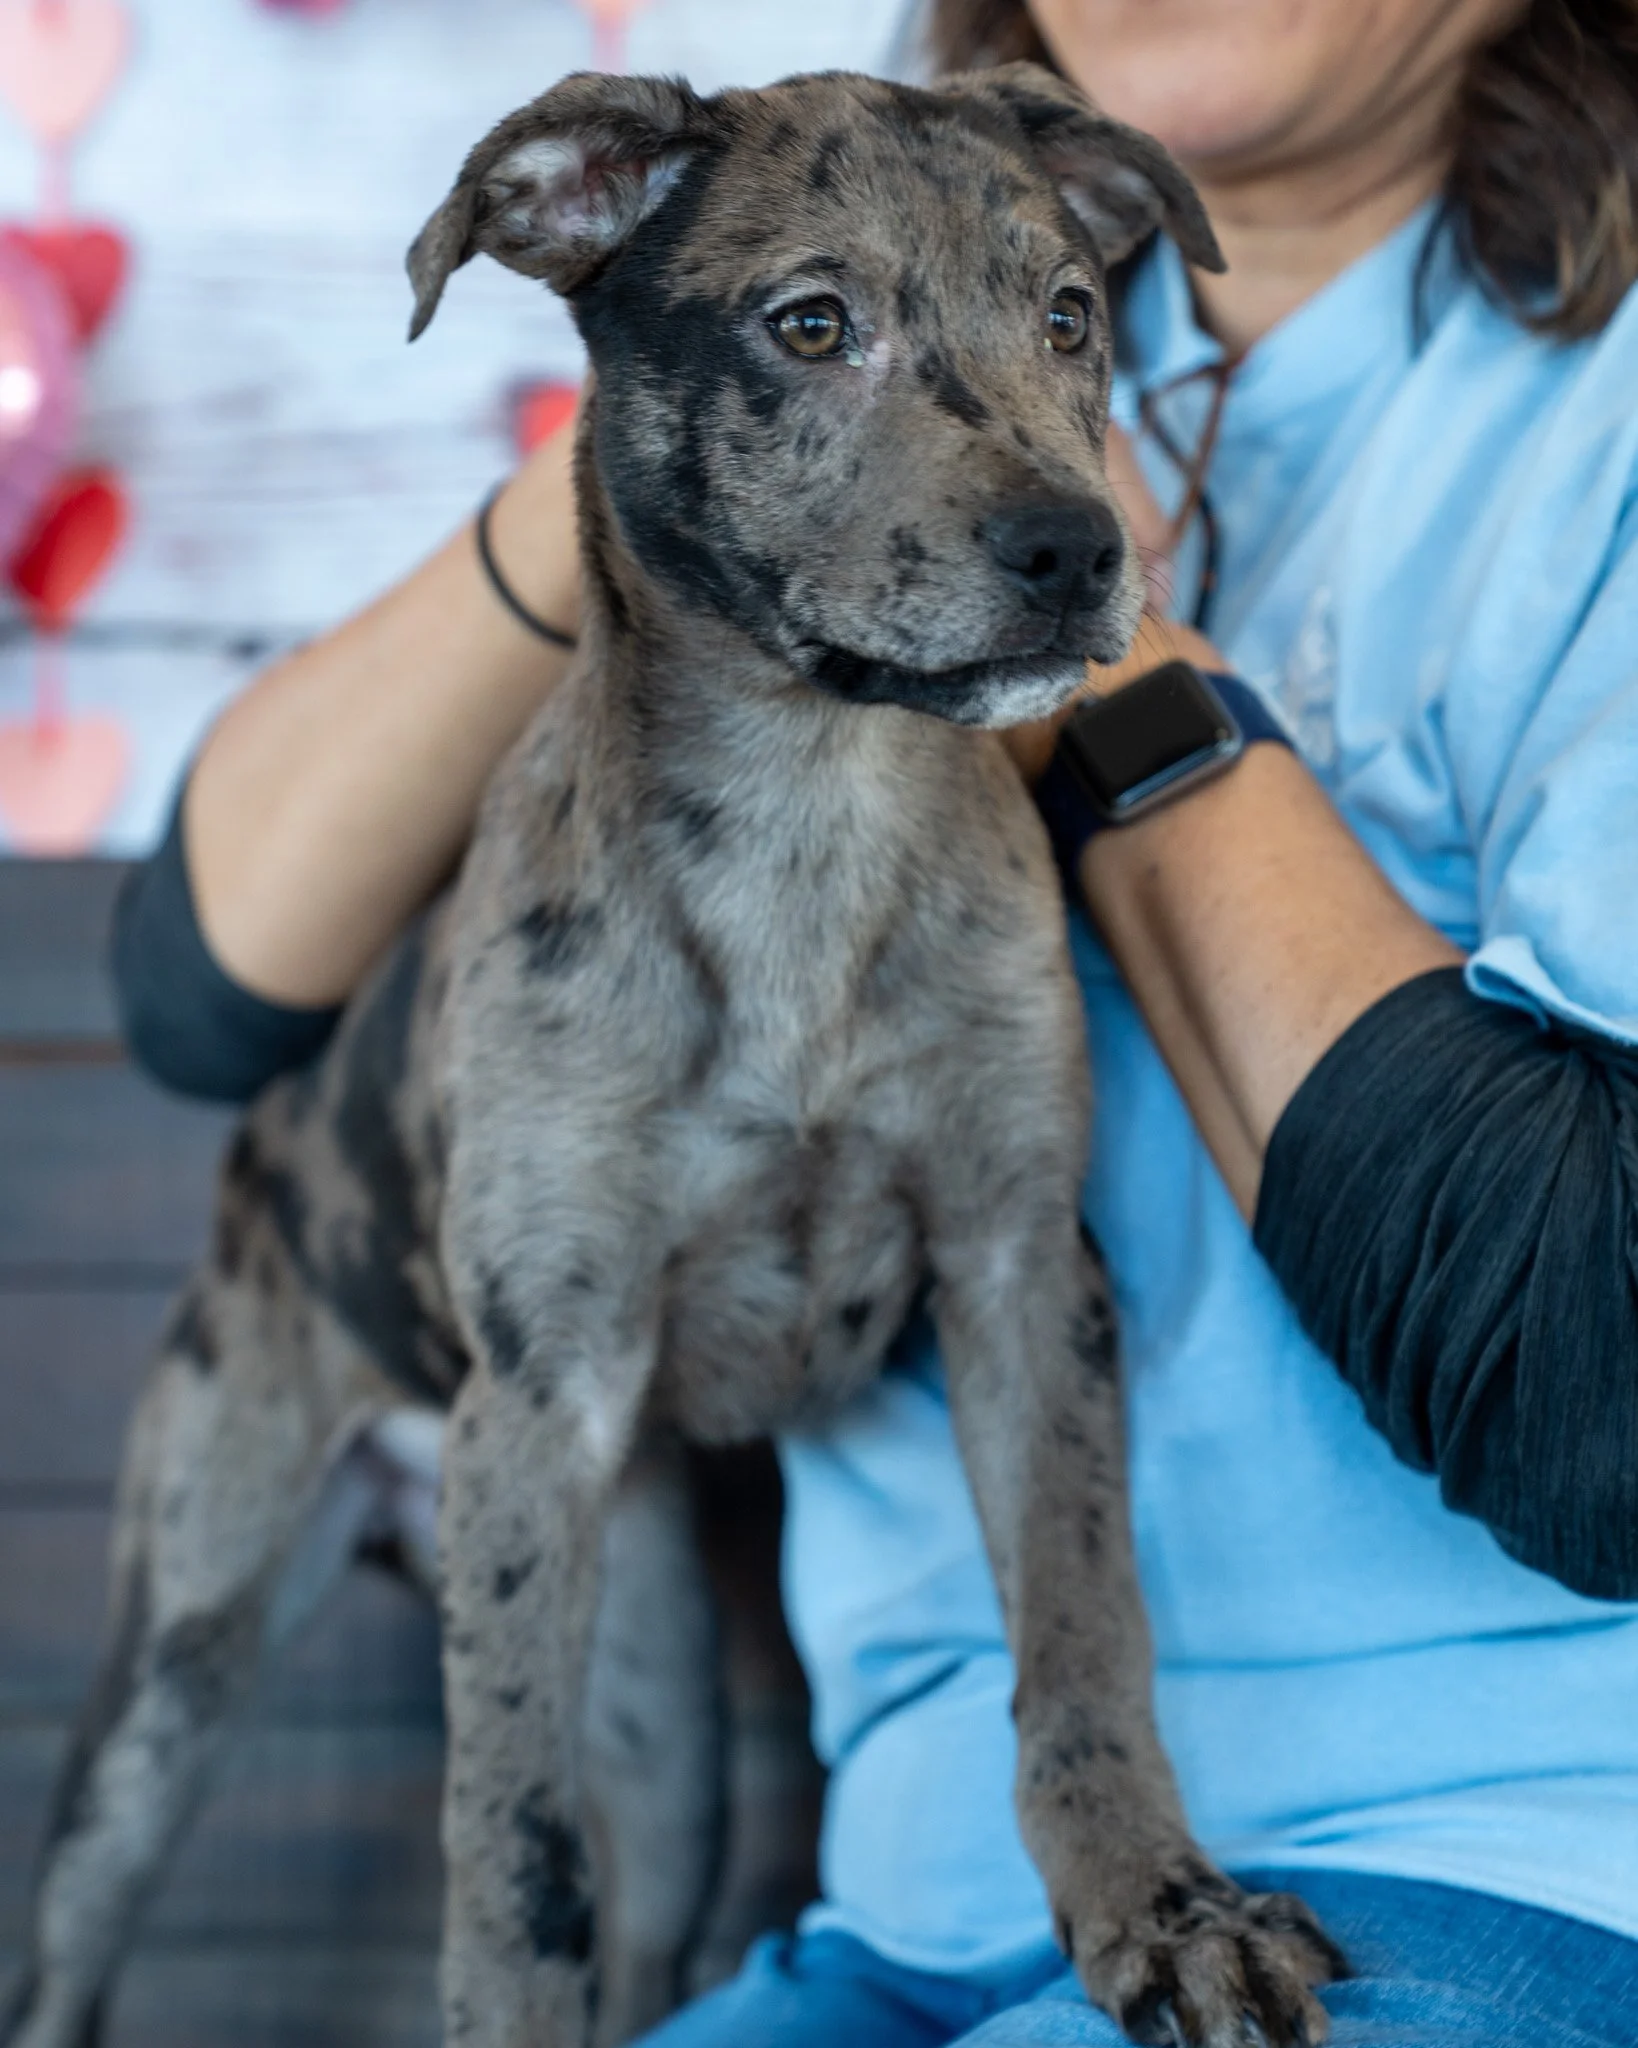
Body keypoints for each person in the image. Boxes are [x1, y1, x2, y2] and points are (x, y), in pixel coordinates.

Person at [112, 2, 1638, 2043]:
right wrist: (686, 395)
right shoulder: (892, 216)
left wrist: (1121, 683)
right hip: (902, 1927)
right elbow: (201, 975)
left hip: (1476, 1870)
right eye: (824, 332)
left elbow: (1589, 1382)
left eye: (1061, 319)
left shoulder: (1587, 421)